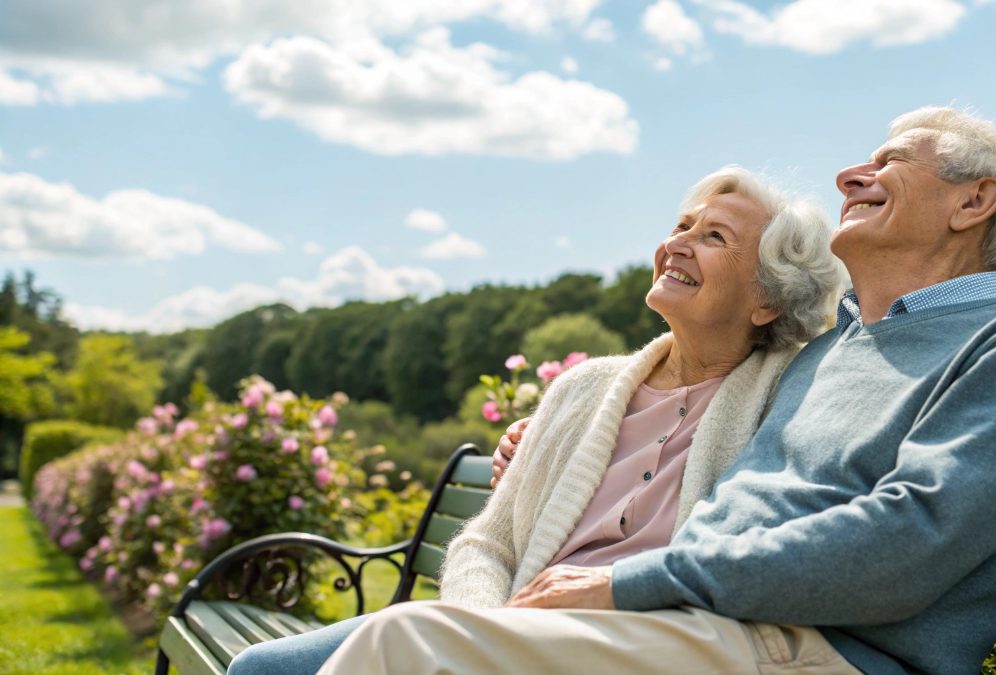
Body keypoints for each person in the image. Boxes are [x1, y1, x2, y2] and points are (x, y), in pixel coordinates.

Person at [317, 107, 996, 675]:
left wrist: (629, 583)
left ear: (974, 203)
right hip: (725, 630)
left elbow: (915, 533)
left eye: (889, 161)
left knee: (403, 645)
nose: (851, 175)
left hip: (819, 651)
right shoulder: (829, 352)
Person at [228, 165, 845, 674]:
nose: (676, 243)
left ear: (767, 298)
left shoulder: (794, 394)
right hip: (506, 623)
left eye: (714, 238)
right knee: (258, 669)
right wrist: (482, 625)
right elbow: (488, 542)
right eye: (682, 225)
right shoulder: (585, 388)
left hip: (631, 641)